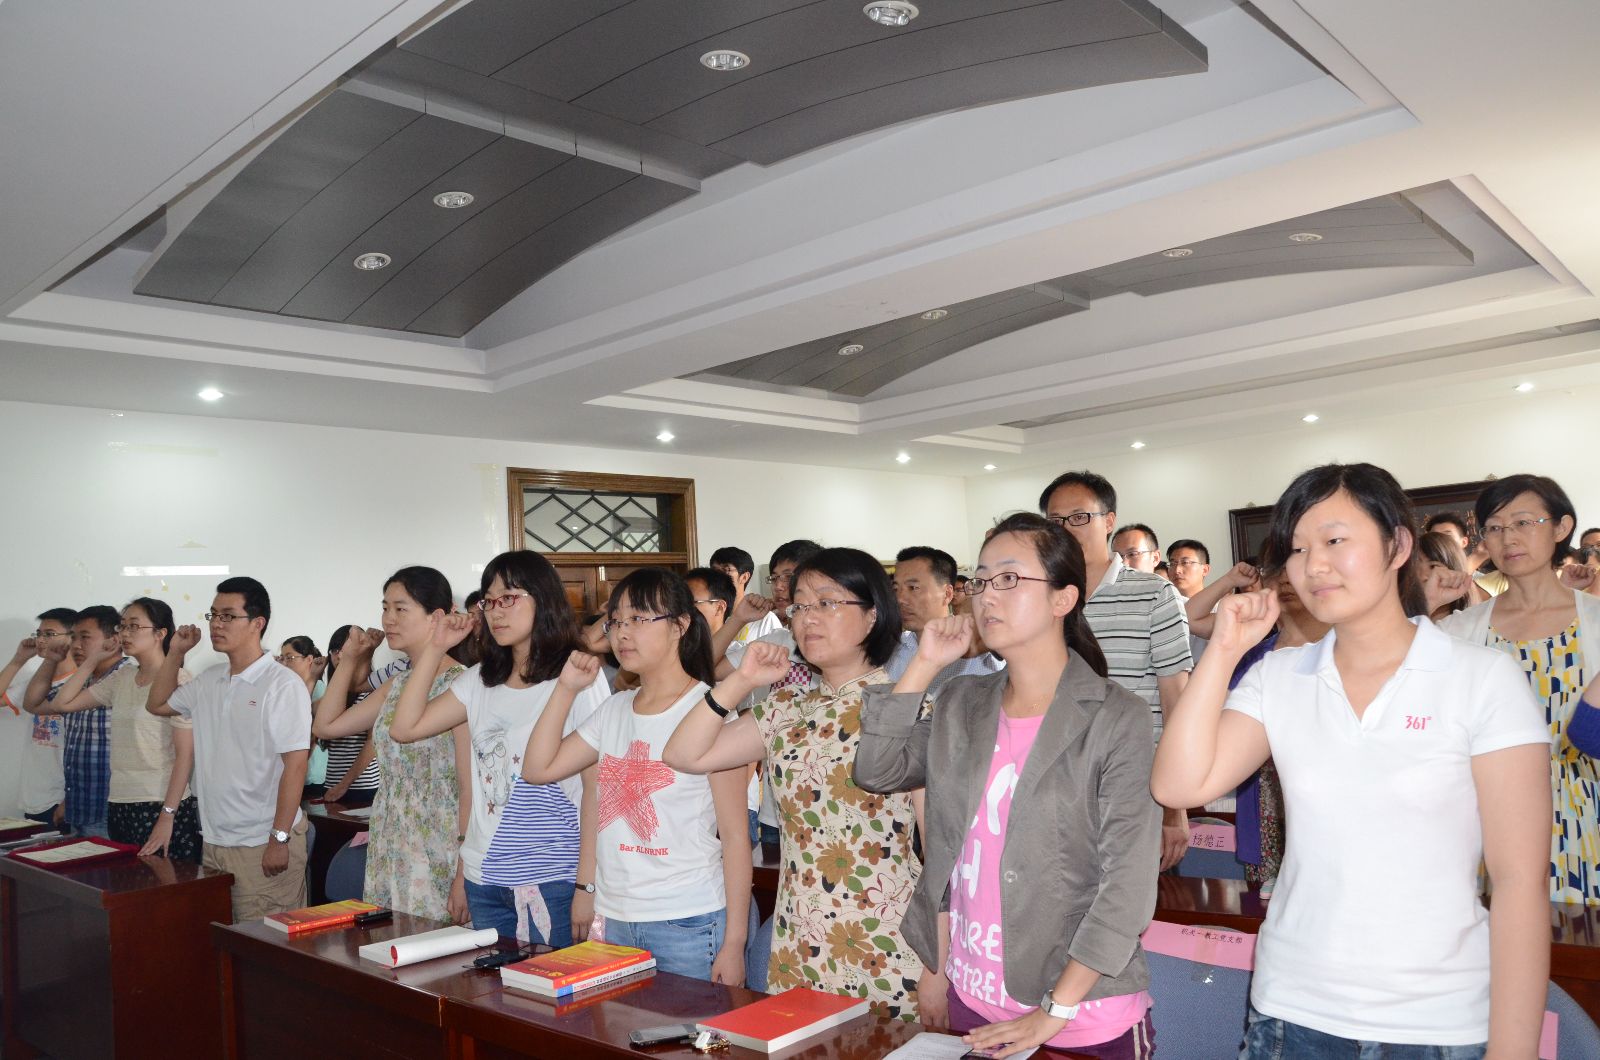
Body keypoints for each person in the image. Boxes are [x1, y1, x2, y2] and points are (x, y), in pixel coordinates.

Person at [1152, 463, 1549, 1056]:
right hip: (1290, 1010)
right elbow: (1178, 785)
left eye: (1335, 540)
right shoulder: (1280, 677)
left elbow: (1519, 881)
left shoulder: (1481, 678)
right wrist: (1225, 649)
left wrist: (1513, 1050)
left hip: (1434, 1020)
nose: (1313, 565)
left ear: (1397, 546)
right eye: (1297, 549)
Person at [855, 514, 1160, 1058]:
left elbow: (1127, 888)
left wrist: (1054, 1010)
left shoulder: (1116, 717)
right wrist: (924, 664)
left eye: (1010, 579)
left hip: (1080, 1014)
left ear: (1064, 598)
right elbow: (877, 770)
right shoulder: (961, 703)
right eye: (980, 580)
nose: (987, 595)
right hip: (975, 997)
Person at [664, 547, 925, 1020]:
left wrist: (939, 965)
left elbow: (943, 848)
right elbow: (683, 754)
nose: (808, 617)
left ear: (873, 615)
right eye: (800, 604)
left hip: (889, 936)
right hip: (799, 936)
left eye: (827, 602)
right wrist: (741, 681)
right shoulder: (788, 709)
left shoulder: (909, 708)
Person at [521, 569, 751, 983]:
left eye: (639, 619)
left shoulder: (710, 711)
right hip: (615, 918)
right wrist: (566, 688)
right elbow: (537, 769)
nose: (622, 633)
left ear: (681, 625)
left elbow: (736, 837)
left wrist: (734, 943)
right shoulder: (614, 709)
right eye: (616, 621)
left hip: (689, 919)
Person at [387, 550, 610, 946]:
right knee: (494, 986)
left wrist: (587, 884)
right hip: (484, 876)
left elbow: (598, 787)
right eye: (489, 601)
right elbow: (404, 728)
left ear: (543, 599)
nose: (496, 611)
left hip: (552, 877)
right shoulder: (480, 680)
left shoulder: (577, 677)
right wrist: (436, 648)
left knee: (550, 985)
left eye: (509, 598)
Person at [1433, 474, 1600, 906]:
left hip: (1586, 813)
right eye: (1495, 527)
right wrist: (1428, 606)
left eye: (1524, 522)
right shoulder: (1460, 630)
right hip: (1491, 817)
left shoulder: (1596, 622)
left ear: (1561, 528)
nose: (1508, 538)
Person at [1039, 471, 1192, 870]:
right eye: (1055, 521)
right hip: (1056, 783)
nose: (1066, 529)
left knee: (1128, 899)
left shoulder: (1154, 594)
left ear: (1108, 521)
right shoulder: (1042, 599)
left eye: (1079, 517)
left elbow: (1176, 699)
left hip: (1135, 781)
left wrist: (1174, 806)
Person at [146, 577, 311, 920]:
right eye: (213, 615)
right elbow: (157, 704)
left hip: (261, 842)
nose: (216, 624)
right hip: (216, 840)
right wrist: (175, 653)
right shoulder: (210, 679)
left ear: (257, 623)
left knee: (264, 943)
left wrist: (279, 838)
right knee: (224, 939)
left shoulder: (281, 684)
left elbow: (296, 765)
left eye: (228, 616)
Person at [314, 567, 473, 923]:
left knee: (432, 945)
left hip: (439, 840)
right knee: (389, 940)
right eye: (385, 608)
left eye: (401, 609)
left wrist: (464, 870)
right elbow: (326, 726)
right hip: (391, 836)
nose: (388, 619)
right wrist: (349, 660)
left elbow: (468, 788)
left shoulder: (461, 685)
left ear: (436, 617)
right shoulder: (399, 683)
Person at [26, 598, 201, 860]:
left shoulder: (179, 680)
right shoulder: (124, 677)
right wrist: (93, 659)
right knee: (124, 881)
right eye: (123, 626)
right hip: (119, 802)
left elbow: (185, 756)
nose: (125, 633)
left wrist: (167, 815)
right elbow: (63, 703)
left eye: (134, 626)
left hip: (159, 802)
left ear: (160, 633)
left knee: (164, 882)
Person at [23, 605, 129, 838]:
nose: (76, 645)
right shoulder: (80, 682)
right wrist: (51, 660)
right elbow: (33, 704)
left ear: (113, 640)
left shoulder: (128, 678)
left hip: (112, 811)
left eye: (85, 637)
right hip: (79, 808)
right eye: (73, 637)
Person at [886, 546, 1004, 695]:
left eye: (913, 588)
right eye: (895, 589)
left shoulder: (979, 655)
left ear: (947, 594)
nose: (900, 599)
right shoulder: (891, 652)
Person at [1, 609, 74, 824]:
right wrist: (18, 660)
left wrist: (69, 799)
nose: (41, 640)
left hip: (63, 799)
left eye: (49, 634)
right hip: (34, 798)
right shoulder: (36, 683)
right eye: (39, 634)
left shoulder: (84, 684)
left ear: (74, 637)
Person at [305, 630, 381, 808]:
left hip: (363, 787)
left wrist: (344, 784)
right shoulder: (332, 698)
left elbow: (373, 743)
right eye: (335, 650)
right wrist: (313, 677)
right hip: (331, 785)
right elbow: (303, 719)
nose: (340, 655)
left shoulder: (374, 692)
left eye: (347, 647)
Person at [710, 546, 783, 644]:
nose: (717, 576)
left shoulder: (765, 619)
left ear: (744, 577)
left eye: (726, 570)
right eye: (714, 571)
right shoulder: (709, 618)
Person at [1419, 531, 1474, 622]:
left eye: (1433, 566)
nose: (1422, 576)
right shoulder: (1400, 615)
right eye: (1414, 567)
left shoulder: (1469, 622)